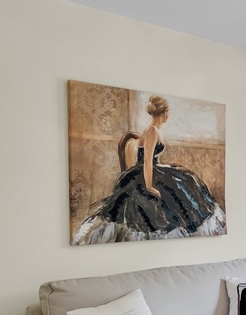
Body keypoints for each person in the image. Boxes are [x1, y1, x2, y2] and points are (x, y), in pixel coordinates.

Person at [72, 95, 226, 244]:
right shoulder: (152, 131)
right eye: (168, 112)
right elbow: (147, 160)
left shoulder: (155, 130)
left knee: (187, 181)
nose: (168, 115)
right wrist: (149, 186)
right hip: (145, 172)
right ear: (164, 112)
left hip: (154, 168)